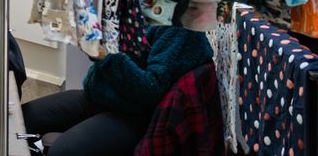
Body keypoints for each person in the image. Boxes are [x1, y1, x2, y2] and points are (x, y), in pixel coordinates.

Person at [21, 27, 214, 156]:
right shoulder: (136, 0)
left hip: (133, 115)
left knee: (62, 152)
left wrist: (105, 56)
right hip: (102, 96)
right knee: (21, 119)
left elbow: (150, 89)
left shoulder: (182, 32)